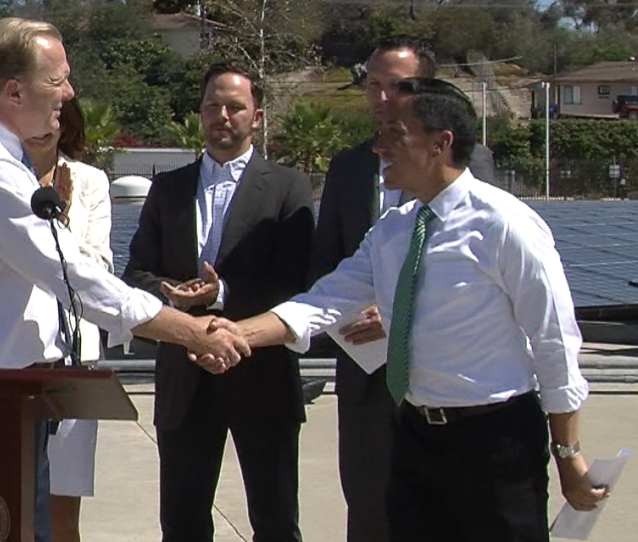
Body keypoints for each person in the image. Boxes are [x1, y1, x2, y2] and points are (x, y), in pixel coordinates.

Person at [199, 78, 608, 542]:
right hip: (414, 435)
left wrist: (567, 450)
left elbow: (554, 339)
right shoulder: (394, 231)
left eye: (394, 134)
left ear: (440, 143)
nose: (378, 147)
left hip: (495, 443)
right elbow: (323, 302)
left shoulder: (504, 225)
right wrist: (233, 334)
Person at [0, 18, 249, 542]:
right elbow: (78, 278)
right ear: (14, 89)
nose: (69, 93)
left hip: (8, 397)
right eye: (58, 80)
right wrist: (193, 331)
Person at [311, 36, 497, 542]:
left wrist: (395, 314)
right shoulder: (349, 167)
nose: (382, 98)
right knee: (370, 509)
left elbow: (471, 275)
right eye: (373, 86)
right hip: (367, 376)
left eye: (396, 86)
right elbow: (328, 264)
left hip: (443, 379)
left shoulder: (470, 166)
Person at [123, 61, 314, 542]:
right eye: (212, 106)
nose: (222, 116)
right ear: (200, 114)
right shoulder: (168, 188)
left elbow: (295, 283)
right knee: (183, 524)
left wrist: (223, 294)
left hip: (262, 376)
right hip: (185, 379)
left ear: (258, 116)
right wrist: (169, 294)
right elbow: (136, 274)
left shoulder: (289, 187)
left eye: (235, 107)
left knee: (275, 523)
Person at [23, 96, 112, 542]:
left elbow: (97, 267)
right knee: (11, 503)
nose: (43, 126)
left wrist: (56, 219)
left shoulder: (90, 182)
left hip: (74, 359)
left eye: (53, 117)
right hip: (11, 357)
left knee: (61, 514)